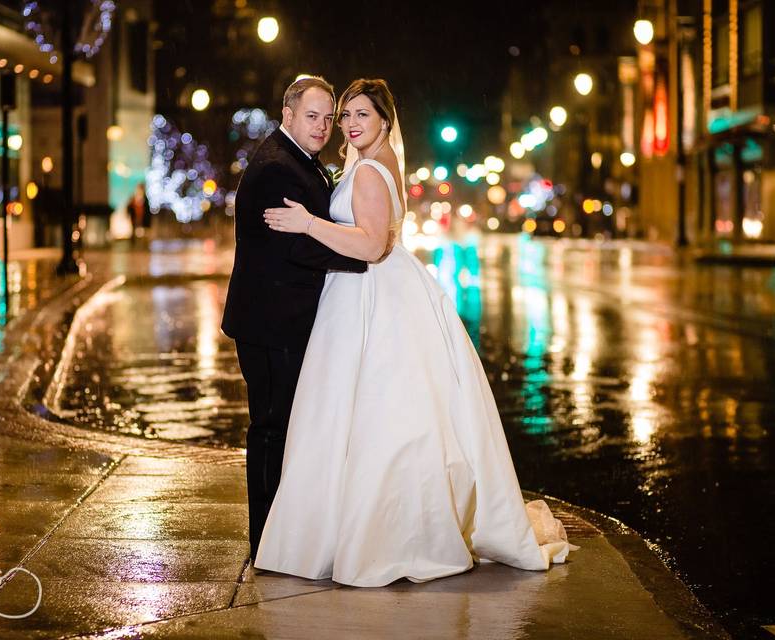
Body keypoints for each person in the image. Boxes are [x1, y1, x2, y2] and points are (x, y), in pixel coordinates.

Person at [257, 79, 578, 587]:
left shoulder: (367, 172)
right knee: (378, 414)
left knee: (370, 415)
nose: (350, 125)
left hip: (371, 293)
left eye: (362, 115)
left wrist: (307, 223)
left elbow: (369, 247)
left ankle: (379, 535)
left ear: (385, 119)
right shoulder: (378, 163)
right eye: (345, 117)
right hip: (377, 291)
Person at [221, 77, 368, 560]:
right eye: (313, 116)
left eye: (329, 118)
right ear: (287, 114)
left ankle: (283, 533)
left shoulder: (298, 162)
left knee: (285, 427)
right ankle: (264, 538)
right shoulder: (275, 169)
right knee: (271, 428)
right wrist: (366, 257)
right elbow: (295, 247)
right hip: (271, 323)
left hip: (283, 319)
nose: (324, 126)